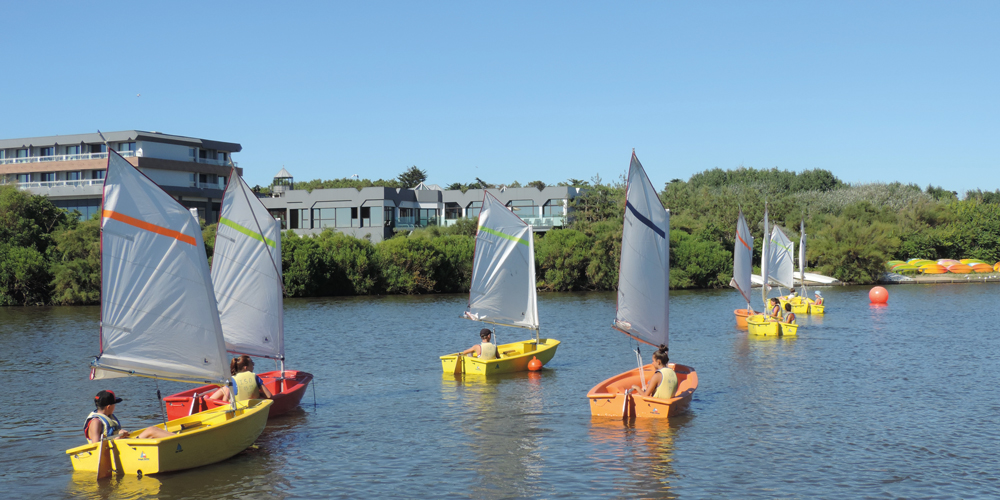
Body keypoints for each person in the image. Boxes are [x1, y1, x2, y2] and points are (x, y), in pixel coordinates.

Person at [85, 390, 173, 443]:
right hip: (119, 449)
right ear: (108, 407)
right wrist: (118, 437)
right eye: (114, 404)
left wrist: (121, 433)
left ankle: (177, 437)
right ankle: (181, 439)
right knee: (152, 430)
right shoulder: (96, 422)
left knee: (152, 432)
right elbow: (96, 448)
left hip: (122, 445)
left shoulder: (107, 416)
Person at [209, 355, 274, 402]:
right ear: (246, 367)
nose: (253, 365)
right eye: (252, 363)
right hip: (254, 408)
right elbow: (269, 396)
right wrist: (260, 394)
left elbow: (224, 401)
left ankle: (209, 400)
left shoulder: (232, 380)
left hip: (240, 409)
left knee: (225, 389)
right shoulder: (255, 377)